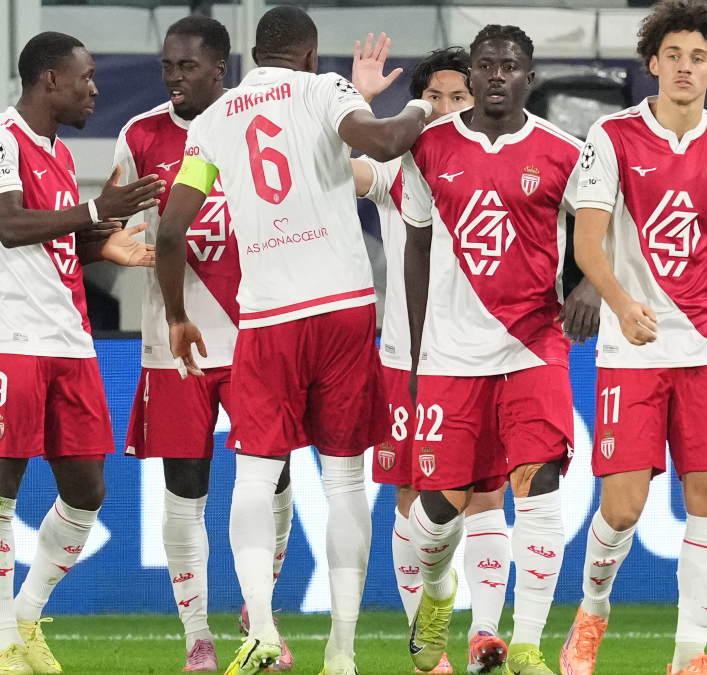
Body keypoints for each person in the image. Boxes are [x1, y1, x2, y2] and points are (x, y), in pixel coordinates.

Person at [155, 6, 430, 675]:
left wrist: (178, 316)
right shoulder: (324, 89)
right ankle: (342, 650)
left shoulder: (213, 119)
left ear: (252, 54)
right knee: (344, 481)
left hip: (268, 317)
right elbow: (385, 141)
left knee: (254, 476)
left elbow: (169, 232)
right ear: (310, 54)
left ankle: (261, 630)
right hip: (341, 310)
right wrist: (422, 105)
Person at [559, 2, 707, 674]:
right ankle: (592, 611)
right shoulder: (612, 136)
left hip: (705, 348)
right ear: (653, 62)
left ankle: (689, 656)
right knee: (623, 508)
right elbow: (587, 244)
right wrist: (622, 306)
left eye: (698, 58)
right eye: (673, 55)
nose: (684, 67)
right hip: (632, 350)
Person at [400, 24, 600, 675]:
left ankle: (528, 645)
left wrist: (589, 285)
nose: (496, 75)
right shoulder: (428, 147)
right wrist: (417, 350)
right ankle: (438, 591)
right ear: (473, 73)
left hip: (533, 345)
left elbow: (606, 228)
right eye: (485, 64)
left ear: (528, 78)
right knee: (438, 510)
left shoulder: (563, 151)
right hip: (450, 355)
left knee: (540, 484)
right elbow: (417, 246)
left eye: (508, 66)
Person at [0, 31, 163, 675]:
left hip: (71, 342)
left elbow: (52, 240)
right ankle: (5, 645)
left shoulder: (59, 155)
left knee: (87, 490)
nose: (94, 90)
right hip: (10, 340)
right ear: (50, 79)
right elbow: (8, 224)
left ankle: (27, 614)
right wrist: (94, 208)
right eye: (86, 77)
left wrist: (102, 243)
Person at [113, 16, 294, 673]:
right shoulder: (141, 135)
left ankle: (260, 613)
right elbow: (107, 224)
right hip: (175, 345)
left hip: (257, 336)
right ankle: (198, 637)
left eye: (187, 67)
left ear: (221, 69)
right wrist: (122, 243)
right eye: (167, 66)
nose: (174, 78)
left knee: (275, 481)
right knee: (184, 489)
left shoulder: (261, 123)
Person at [350, 46, 511, 675]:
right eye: (433, 98)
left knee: (488, 495)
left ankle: (486, 635)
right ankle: (429, 644)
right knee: (411, 496)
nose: (444, 109)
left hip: (485, 356)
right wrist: (359, 104)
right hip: (408, 359)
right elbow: (334, 165)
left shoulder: (504, 161)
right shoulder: (398, 164)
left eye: (457, 97)